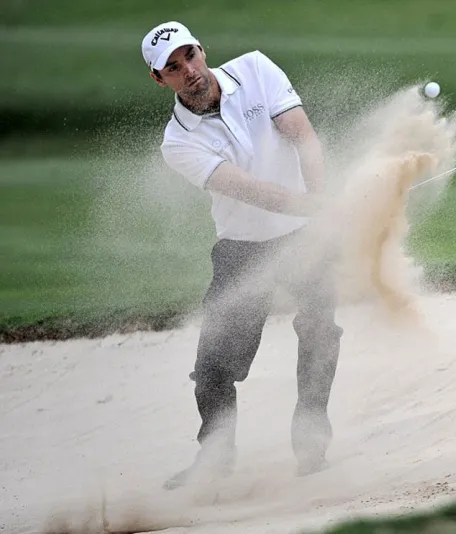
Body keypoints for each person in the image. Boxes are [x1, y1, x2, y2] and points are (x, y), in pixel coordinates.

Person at [140, 21, 343, 490]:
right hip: (242, 249)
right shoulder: (179, 142)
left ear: (202, 50)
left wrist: (319, 204)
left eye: (189, 56)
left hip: (304, 236)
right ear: (159, 79)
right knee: (212, 369)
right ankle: (214, 460)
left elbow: (303, 137)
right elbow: (246, 189)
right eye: (172, 67)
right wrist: (313, 205)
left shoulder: (255, 68)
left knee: (318, 328)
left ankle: (311, 443)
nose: (187, 70)